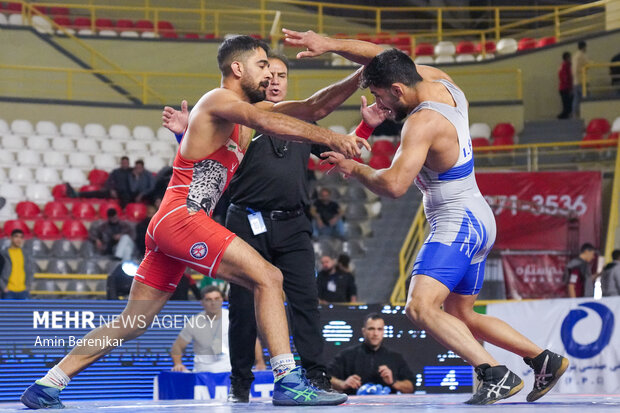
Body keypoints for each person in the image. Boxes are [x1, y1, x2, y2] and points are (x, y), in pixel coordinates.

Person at [21, 35, 370, 409]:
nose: (270, 74)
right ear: (238, 69)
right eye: (262, 66)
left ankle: (48, 384)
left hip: (171, 224)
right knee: (269, 277)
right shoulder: (220, 100)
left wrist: (363, 75)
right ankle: (288, 380)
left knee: (134, 321)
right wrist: (332, 137)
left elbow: (314, 106)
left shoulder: (245, 116)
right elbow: (266, 120)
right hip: (182, 218)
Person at [283, 28, 570, 405]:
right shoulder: (439, 79)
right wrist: (331, 46)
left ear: (398, 89)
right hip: (477, 218)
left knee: (419, 308)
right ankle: (542, 358)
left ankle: (494, 373)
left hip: (457, 223)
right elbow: (382, 55)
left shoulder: (421, 123)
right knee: (460, 315)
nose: (380, 104)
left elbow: (395, 185)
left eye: (381, 97)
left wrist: (355, 170)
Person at [162, 51, 383, 402]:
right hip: (246, 220)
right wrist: (183, 135)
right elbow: (205, 164)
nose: (275, 79)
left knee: (306, 302)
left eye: (281, 74)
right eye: (269, 72)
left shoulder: (300, 123)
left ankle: (316, 378)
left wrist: (366, 126)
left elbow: (342, 154)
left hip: (293, 222)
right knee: (244, 307)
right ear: (259, 80)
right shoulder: (244, 119)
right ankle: (240, 382)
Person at [328, 313, 414, 395]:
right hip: (354, 408)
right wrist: (342, 384)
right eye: (371, 329)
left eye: (379, 329)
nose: (375, 334)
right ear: (363, 331)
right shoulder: (346, 355)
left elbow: (411, 387)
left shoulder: (395, 358)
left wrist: (393, 382)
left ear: (383, 332)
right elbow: (325, 378)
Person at [171, 286, 231, 373]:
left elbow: (251, 340)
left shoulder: (233, 318)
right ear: (202, 302)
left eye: (217, 298)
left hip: (228, 373)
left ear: (222, 300)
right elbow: (177, 346)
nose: (213, 302)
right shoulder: (195, 322)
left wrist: (259, 363)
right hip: (202, 375)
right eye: (208, 299)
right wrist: (178, 364)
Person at [0, 229, 34, 299]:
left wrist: (27, 287)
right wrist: (3, 287)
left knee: (25, 310)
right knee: (8, 310)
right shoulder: (3, 254)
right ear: (11, 238)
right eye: (16, 237)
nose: (19, 239)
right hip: (8, 291)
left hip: (23, 291)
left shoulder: (26, 254)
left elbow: (30, 271)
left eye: (21, 237)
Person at [571, 41, 589, 118]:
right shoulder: (581, 56)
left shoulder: (575, 56)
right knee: (585, 97)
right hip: (582, 80)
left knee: (576, 99)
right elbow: (587, 65)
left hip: (576, 81)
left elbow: (574, 70)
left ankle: (575, 114)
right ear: (584, 47)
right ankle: (585, 114)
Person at [557, 51, 573, 119]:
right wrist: (569, 86)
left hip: (563, 87)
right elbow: (565, 77)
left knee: (566, 103)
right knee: (567, 104)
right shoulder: (565, 65)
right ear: (567, 58)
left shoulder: (563, 65)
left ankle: (565, 114)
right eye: (569, 57)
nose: (570, 58)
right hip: (565, 87)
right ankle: (564, 115)